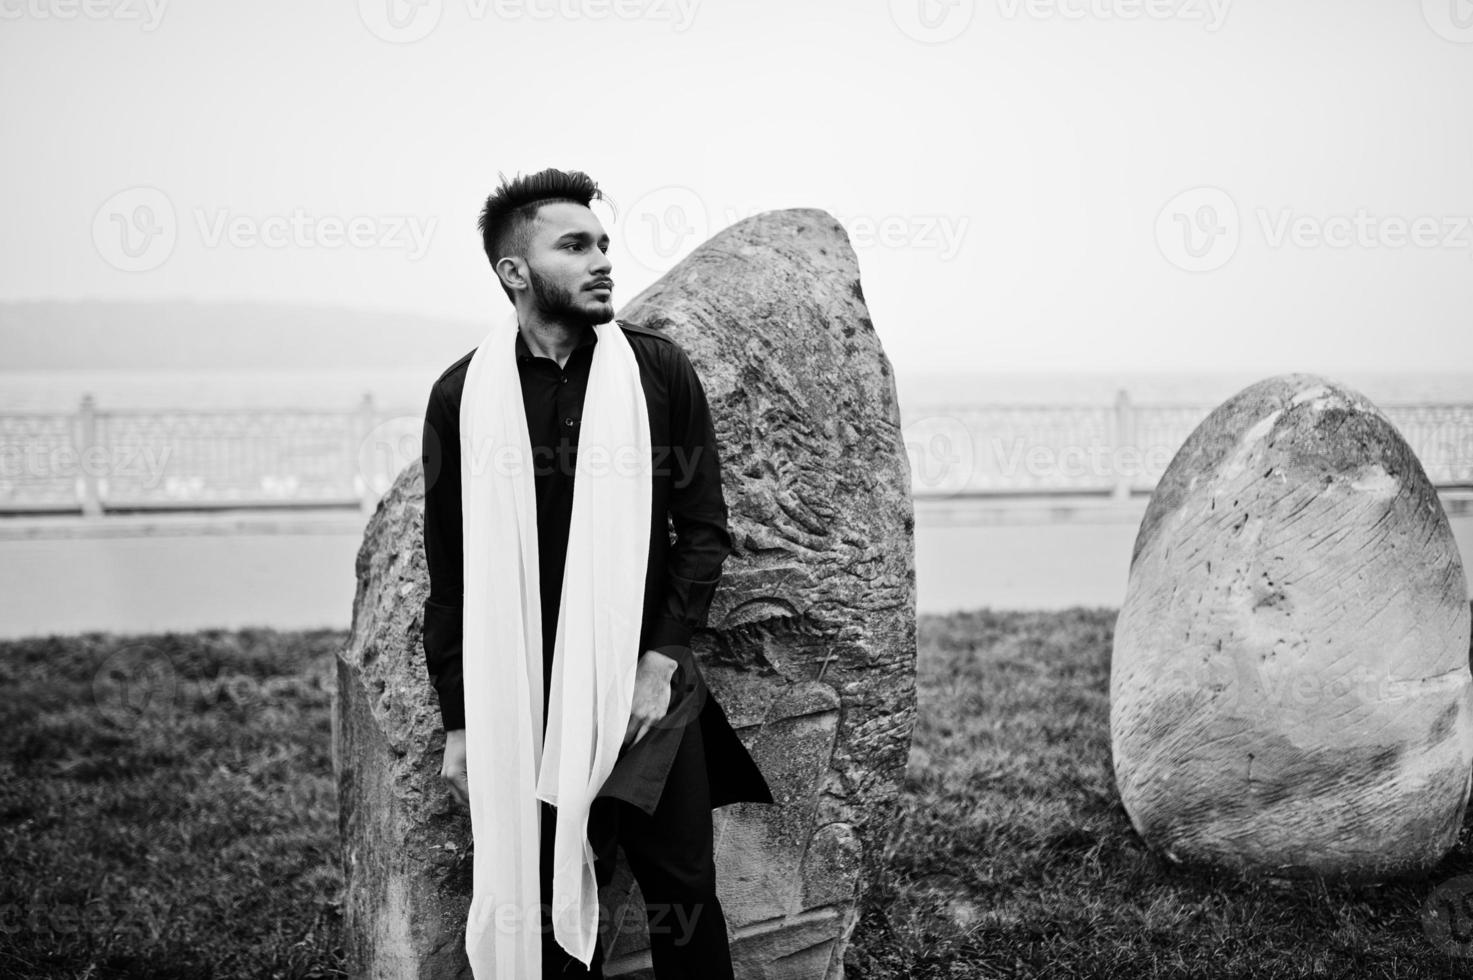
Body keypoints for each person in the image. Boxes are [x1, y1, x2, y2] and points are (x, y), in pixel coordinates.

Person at [420, 168, 772, 979]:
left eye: (603, 243)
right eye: (574, 245)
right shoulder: (462, 398)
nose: (601, 260)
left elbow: (705, 531)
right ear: (516, 271)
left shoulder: (656, 372)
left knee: (682, 889)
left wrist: (659, 661)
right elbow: (451, 578)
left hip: (645, 683)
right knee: (543, 903)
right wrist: (462, 724)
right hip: (524, 692)